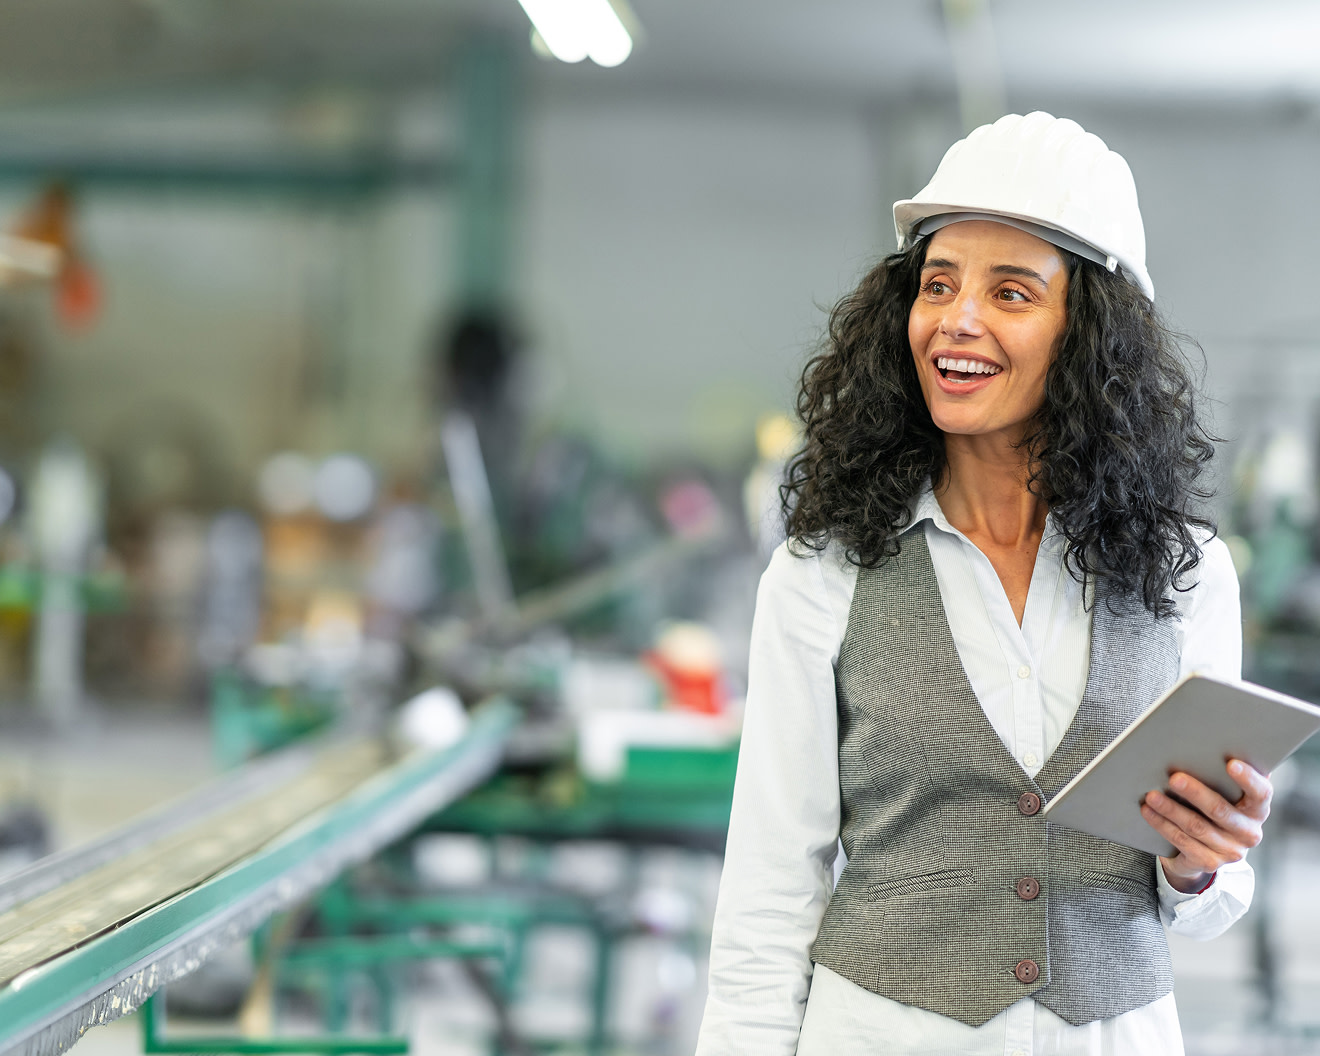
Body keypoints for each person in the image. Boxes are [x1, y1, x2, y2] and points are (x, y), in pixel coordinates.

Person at [694, 112, 1272, 1055]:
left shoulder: (1186, 575)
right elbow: (768, 891)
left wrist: (1202, 866)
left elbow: (1206, 905)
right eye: (938, 284)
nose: (958, 320)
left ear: (1089, 336)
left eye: (1012, 292)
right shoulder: (823, 573)